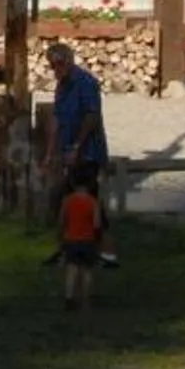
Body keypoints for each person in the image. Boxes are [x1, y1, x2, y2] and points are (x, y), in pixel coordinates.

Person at [41, 40, 114, 265]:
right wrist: (50, 152)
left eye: (59, 64)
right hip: (69, 150)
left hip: (88, 152)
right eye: (52, 66)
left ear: (69, 61)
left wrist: (77, 148)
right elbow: (57, 118)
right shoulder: (62, 85)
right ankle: (67, 248)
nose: (55, 70)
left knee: (90, 204)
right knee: (65, 201)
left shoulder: (86, 82)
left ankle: (105, 251)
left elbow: (91, 117)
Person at [57, 161, 104, 311]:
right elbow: (97, 224)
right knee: (86, 271)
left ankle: (69, 298)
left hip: (71, 240)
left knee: (71, 269)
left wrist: (61, 236)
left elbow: (61, 220)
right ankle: (85, 300)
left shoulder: (67, 201)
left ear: (72, 182)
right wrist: (98, 239)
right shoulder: (93, 202)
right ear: (91, 183)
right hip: (88, 240)